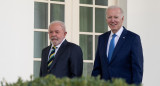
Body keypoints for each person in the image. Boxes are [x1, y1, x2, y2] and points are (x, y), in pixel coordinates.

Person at [91, 6, 143, 85]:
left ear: (122, 19)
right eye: (109, 17)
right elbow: (97, 68)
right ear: (106, 19)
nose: (112, 20)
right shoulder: (102, 38)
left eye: (116, 17)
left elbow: (137, 70)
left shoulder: (133, 38)